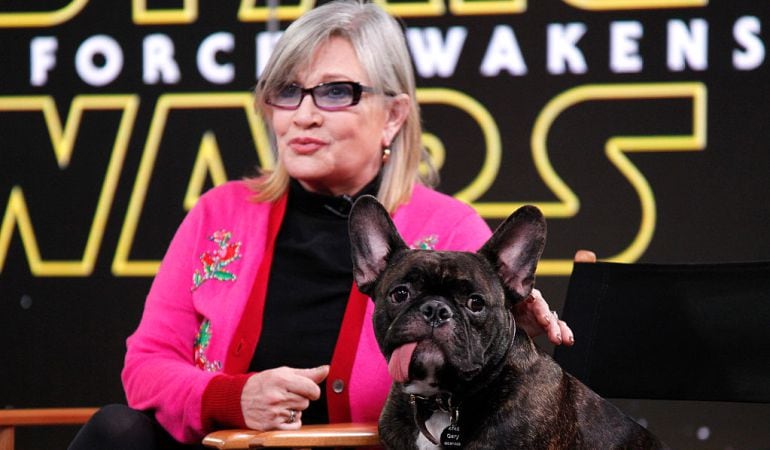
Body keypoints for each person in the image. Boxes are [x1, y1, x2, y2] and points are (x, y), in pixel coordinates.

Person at [69, 1, 573, 448]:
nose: (303, 115)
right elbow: (147, 365)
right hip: (224, 447)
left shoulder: (449, 230)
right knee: (116, 429)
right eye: (286, 91)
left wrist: (508, 333)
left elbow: (486, 387)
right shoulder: (220, 213)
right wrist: (233, 397)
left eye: (336, 92)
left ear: (393, 115)